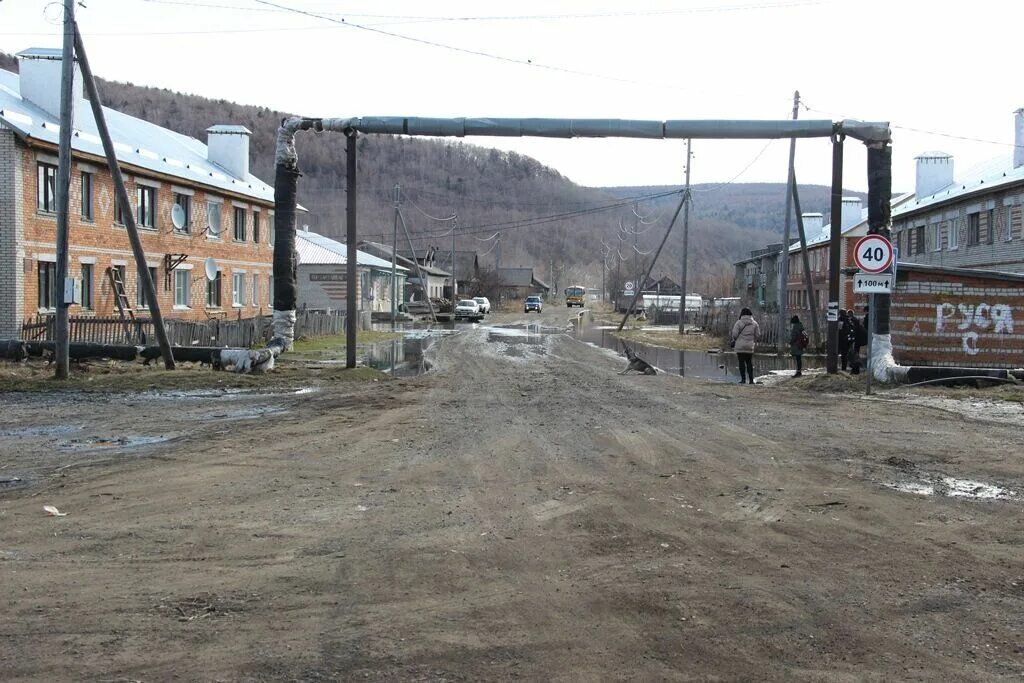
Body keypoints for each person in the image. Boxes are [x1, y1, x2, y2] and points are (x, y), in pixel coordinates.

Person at [730, 307, 760, 384]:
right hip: (749, 346)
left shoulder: (738, 323)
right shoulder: (755, 323)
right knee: (749, 362)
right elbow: (758, 335)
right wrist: (753, 340)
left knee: (741, 363)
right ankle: (751, 380)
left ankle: (743, 380)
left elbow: (734, 334)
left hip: (740, 346)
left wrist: (735, 339)